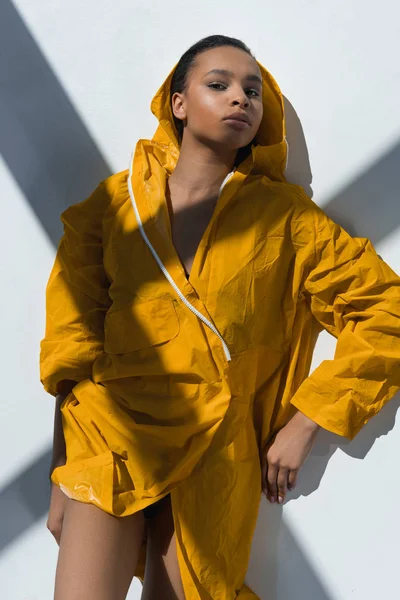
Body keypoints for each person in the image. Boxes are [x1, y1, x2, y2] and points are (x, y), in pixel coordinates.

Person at [40, 34, 400, 600]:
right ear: (178, 103)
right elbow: (72, 343)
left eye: (252, 90)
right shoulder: (113, 206)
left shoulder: (287, 218)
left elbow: (387, 312)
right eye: (219, 84)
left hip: (216, 450)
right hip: (108, 437)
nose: (241, 99)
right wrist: (61, 473)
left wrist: (308, 422)